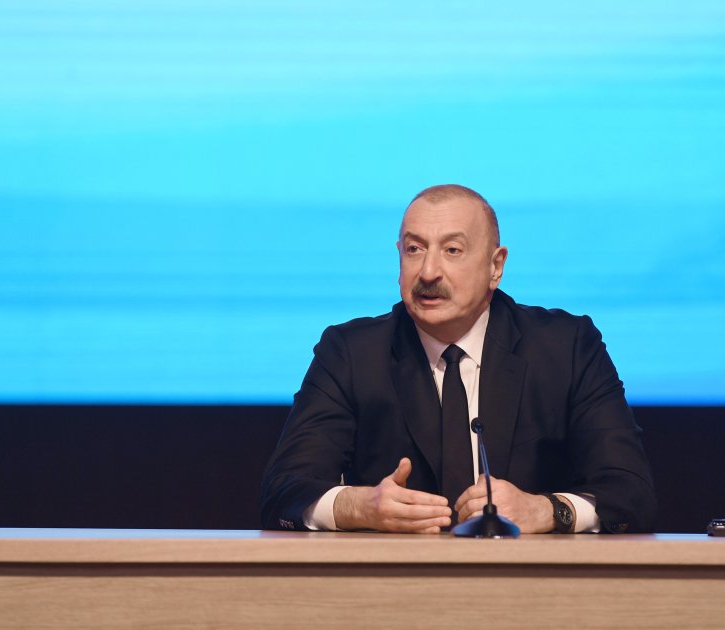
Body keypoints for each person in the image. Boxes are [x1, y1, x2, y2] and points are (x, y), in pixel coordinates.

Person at [260, 184, 656, 534]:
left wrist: (547, 510)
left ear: (495, 267)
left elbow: (631, 494)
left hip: (530, 582)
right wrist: (359, 506)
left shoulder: (566, 348)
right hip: (395, 583)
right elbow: (283, 492)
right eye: (414, 249)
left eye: (452, 250)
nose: (428, 271)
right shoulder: (351, 353)